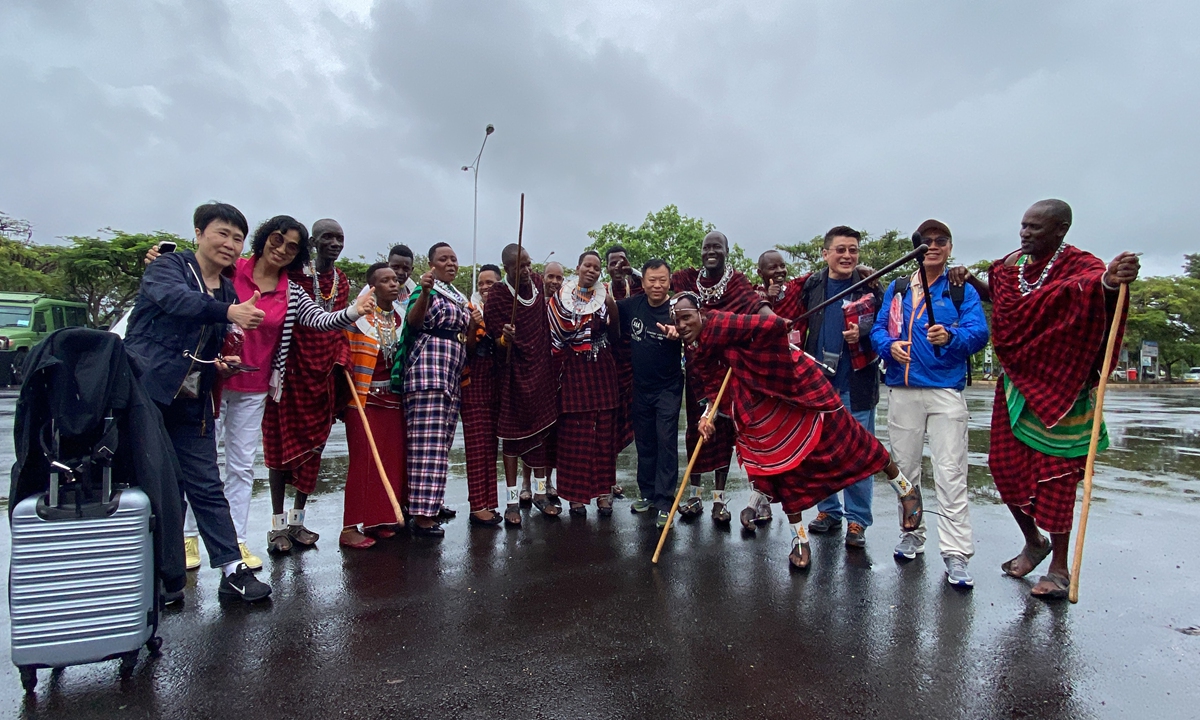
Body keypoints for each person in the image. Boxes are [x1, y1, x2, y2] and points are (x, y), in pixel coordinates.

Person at [955, 199, 1137, 600]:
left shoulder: (1081, 267)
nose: (1025, 233)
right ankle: (1033, 542)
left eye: (1035, 228)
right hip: (1016, 383)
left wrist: (1110, 281)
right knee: (1003, 468)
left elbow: (1094, 289)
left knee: (1055, 479)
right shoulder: (1011, 266)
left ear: (1061, 230)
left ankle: (1059, 567)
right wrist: (972, 282)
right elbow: (1007, 302)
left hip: (1061, 387)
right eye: (1023, 226)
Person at [666, 294, 923, 569]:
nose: (682, 325)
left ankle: (906, 490)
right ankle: (799, 540)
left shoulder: (719, 322)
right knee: (782, 477)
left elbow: (760, 325)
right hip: (760, 412)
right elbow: (713, 387)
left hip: (792, 387)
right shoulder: (694, 348)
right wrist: (708, 416)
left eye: (686, 317)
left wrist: (779, 324)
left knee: (852, 439)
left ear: (700, 313)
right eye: (677, 321)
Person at [173, 216, 372, 568]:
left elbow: (319, 321)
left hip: (254, 386)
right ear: (264, 239)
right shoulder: (233, 270)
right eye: (277, 240)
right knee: (201, 463)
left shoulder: (291, 291)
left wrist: (355, 311)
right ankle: (188, 538)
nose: (281, 250)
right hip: (212, 381)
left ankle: (235, 541)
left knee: (240, 467)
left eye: (292, 247)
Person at [124, 202, 271, 603]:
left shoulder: (224, 288)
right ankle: (159, 576)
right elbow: (175, 302)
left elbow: (204, 339)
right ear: (199, 233)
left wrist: (221, 364)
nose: (229, 243)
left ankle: (232, 570)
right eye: (222, 233)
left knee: (206, 484)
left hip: (192, 400)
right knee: (153, 484)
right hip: (146, 395)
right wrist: (230, 311)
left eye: (237, 238)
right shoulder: (169, 268)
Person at [870, 220, 990, 588]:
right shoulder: (899, 287)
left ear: (950, 247)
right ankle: (912, 534)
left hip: (944, 391)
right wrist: (888, 346)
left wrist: (951, 335)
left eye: (940, 241)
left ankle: (956, 553)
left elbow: (979, 332)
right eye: (925, 242)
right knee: (904, 471)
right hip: (902, 390)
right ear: (916, 247)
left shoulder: (960, 289)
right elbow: (877, 329)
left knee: (950, 472)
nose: (932, 247)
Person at [260, 218, 351, 554]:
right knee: (281, 451)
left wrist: (340, 359)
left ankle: (298, 521)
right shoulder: (293, 278)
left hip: (323, 374)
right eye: (328, 237)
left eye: (340, 237)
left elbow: (337, 325)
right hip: (291, 374)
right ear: (313, 242)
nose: (335, 243)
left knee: (314, 449)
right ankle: (277, 526)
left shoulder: (341, 281)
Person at [670, 231, 769, 524]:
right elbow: (658, 282)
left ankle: (718, 499)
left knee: (723, 432)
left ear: (727, 251)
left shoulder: (736, 283)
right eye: (706, 247)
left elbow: (755, 306)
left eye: (717, 247)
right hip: (696, 366)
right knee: (695, 430)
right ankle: (696, 495)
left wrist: (769, 319)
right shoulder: (688, 280)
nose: (711, 251)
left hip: (726, 369)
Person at [798, 226, 884, 551]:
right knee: (820, 452)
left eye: (853, 250)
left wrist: (862, 334)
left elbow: (885, 329)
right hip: (819, 385)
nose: (848, 256)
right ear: (825, 253)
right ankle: (828, 511)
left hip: (856, 384)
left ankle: (857, 519)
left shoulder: (871, 286)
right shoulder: (813, 285)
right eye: (840, 250)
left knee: (858, 453)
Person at [402, 243, 476, 537]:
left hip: (451, 373)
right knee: (426, 444)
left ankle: (432, 502)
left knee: (441, 443)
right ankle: (421, 514)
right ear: (431, 264)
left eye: (454, 259)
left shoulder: (458, 296)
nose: (450, 263)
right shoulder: (426, 291)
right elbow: (414, 322)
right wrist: (425, 290)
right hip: (427, 371)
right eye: (443, 259)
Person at [486, 244, 560, 524]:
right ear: (507, 268)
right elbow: (496, 346)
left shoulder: (539, 284)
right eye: (521, 266)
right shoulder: (497, 297)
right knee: (512, 439)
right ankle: (512, 501)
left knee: (541, 434)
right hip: (512, 374)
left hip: (540, 369)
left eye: (529, 264)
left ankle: (541, 494)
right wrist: (506, 337)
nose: (528, 271)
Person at [547, 251, 621, 517]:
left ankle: (603, 492)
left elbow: (615, 336)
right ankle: (576, 498)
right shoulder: (560, 299)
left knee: (604, 433)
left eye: (596, 267)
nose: (592, 270)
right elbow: (557, 338)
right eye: (587, 265)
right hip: (575, 369)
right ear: (577, 268)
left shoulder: (604, 299)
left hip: (603, 367)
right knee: (575, 434)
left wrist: (612, 306)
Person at [341, 263, 408, 548]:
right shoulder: (357, 319)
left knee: (391, 459)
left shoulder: (401, 318)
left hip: (392, 399)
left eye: (395, 280)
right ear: (372, 287)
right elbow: (343, 352)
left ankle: (379, 520)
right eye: (385, 280)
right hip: (363, 399)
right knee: (363, 463)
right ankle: (348, 528)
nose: (393, 284)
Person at [620, 259, 683, 528]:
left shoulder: (677, 308)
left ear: (670, 282)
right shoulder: (633, 305)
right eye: (651, 280)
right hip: (641, 387)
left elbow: (696, 329)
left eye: (662, 280)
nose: (657, 285)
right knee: (644, 442)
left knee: (665, 439)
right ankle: (646, 494)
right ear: (642, 283)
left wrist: (678, 332)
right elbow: (606, 306)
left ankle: (665, 502)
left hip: (668, 388)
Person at [517, 259, 564, 505]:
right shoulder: (529, 301)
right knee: (530, 431)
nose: (554, 282)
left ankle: (547, 481)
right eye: (550, 277)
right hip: (532, 373)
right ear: (542, 277)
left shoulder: (565, 305)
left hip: (557, 374)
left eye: (559, 278)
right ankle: (526, 483)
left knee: (551, 433)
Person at [461, 263, 504, 526]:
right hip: (474, 379)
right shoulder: (469, 310)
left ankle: (488, 501)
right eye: (482, 283)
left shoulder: (503, 310)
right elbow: (466, 349)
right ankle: (477, 505)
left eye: (491, 283)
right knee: (476, 445)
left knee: (491, 445)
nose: (486, 287)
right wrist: (472, 326)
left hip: (496, 381)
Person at [607, 244, 643, 492]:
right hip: (610, 367)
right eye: (613, 263)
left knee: (643, 428)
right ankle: (609, 480)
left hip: (639, 366)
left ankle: (647, 486)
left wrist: (634, 273)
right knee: (610, 426)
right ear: (606, 269)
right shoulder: (602, 292)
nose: (618, 267)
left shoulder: (639, 286)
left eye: (623, 262)